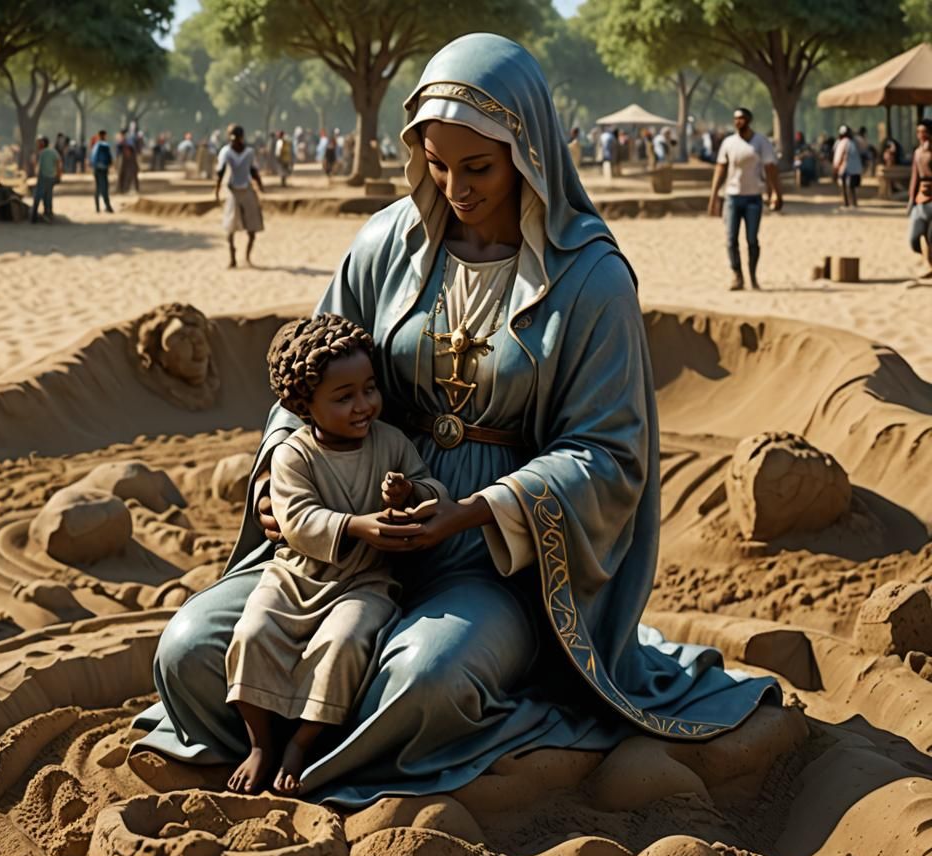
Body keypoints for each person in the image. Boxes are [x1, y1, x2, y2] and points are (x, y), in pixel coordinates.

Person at [132, 33, 778, 806]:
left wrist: (469, 512)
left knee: (423, 682)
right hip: (347, 536)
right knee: (188, 653)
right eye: (438, 165)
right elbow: (302, 382)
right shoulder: (382, 245)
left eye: (478, 167)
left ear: (529, 151)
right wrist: (279, 474)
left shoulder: (592, 279)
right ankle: (326, 733)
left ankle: (361, 741)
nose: (456, 188)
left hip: (492, 562)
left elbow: (609, 453)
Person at [226, 314, 447, 794]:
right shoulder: (293, 455)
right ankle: (261, 742)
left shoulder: (389, 441)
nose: (364, 405)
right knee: (252, 632)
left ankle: (302, 743)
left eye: (369, 389)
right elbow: (297, 521)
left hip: (365, 580)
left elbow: (431, 483)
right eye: (344, 397)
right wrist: (357, 525)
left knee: (343, 643)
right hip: (295, 578)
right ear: (303, 404)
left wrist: (410, 491)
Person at [708, 106, 782, 291]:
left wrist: (776, 192)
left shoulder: (760, 142)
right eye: (735, 119)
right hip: (732, 197)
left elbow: (770, 168)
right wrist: (713, 196)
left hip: (753, 198)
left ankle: (753, 275)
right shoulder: (729, 143)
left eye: (741, 118)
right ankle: (737, 275)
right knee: (731, 239)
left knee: (752, 240)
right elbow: (720, 169)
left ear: (748, 120)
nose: (737, 122)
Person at [214, 124, 264, 269]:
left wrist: (260, 185)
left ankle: (245, 257)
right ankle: (233, 258)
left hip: (245, 190)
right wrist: (217, 189)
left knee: (251, 227)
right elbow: (221, 172)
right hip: (234, 192)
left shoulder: (248, 152)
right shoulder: (227, 152)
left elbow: (253, 171)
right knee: (230, 227)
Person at [908, 118, 932, 279]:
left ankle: (929, 264)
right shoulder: (917, 153)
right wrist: (911, 199)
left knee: (931, 236)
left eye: (923, 132)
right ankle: (925, 259)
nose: (920, 135)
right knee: (914, 238)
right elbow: (914, 177)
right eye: (918, 132)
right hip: (921, 197)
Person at [31, 135, 62, 223]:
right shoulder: (52, 151)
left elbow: (37, 166)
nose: (37, 144)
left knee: (39, 195)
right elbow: (58, 163)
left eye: (39, 142)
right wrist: (58, 175)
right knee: (48, 195)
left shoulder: (43, 152)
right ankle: (48, 213)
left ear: (43, 143)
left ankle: (35, 215)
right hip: (51, 176)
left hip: (44, 177)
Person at [832, 125, 862, 208]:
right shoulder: (853, 142)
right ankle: (853, 203)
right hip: (854, 168)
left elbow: (842, 155)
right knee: (852, 187)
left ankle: (846, 203)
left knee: (845, 186)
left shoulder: (842, 142)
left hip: (846, 168)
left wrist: (836, 167)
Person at [90, 129, 114, 213]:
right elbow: (109, 157)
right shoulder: (105, 145)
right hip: (103, 169)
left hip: (96, 169)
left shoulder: (95, 145)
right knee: (104, 187)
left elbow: (92, 158)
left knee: (97, 187)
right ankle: (108, 206)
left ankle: (97, 207)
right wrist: (110, 164)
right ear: (104, 135)